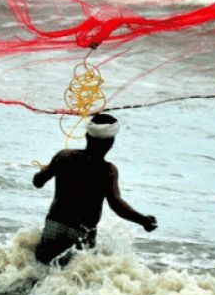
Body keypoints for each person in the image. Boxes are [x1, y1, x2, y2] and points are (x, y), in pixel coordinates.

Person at [32, 113, 157, 265]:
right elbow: (116, 204)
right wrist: (143, 220)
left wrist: (47, 169)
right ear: (111, 143)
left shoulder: (63, 157)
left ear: (87, 136)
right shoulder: (107, 171)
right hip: (81, 232)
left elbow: (38, 182)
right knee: (74, 275)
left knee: (41, 264)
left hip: (54, 225)